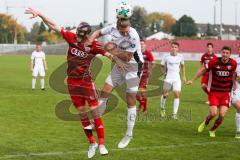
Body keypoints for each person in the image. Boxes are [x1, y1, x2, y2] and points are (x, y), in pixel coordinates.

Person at [25, 8, 125, 159]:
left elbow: (108, 54)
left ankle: (102, 144)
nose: (77, 37)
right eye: (77, 34)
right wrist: (39, 14)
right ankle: (92, 143)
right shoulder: (71, 37)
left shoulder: (94, 45)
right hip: (72, 83)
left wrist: (118, 61)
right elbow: (53, 25)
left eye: (80, 36)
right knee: (82, 114)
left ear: (86, 36)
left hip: (86, 83)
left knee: (95, 112)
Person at [89, 17, 142, 149]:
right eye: (123, 31)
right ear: (117, 28)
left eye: (127, 31)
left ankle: (129, 134)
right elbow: (97, 33)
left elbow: (127, 57)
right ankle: (96, 122)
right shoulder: (112, 28)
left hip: (133, 67)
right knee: (104, 91)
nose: (125, 33)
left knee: (130, 100)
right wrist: (89, 43)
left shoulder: (133, 35)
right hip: (118, 65)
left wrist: (109, 48)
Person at [186, 46, 237, 138]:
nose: (225, 54)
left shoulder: (233, 63)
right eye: (223, 52)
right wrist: (193, 80)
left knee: (222, 114)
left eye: (227, 53)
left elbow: (233, 75)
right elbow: (202, 70)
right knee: (213, 113)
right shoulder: (214, 62)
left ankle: (213, 130)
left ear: (230, 54)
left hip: (226, 93)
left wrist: (234, 84)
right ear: (221, 53)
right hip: (214, 91)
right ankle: (205, 122)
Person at [160, 42, 186, 119]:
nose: (174, 48)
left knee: (177, 94)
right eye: (173, 47)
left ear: (178, 49)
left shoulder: (181, 56)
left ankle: (174, 114)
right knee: (165, 95)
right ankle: (162, 108)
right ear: (170, 48)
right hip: (168, 78)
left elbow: (183, 66)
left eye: (175, 47)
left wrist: (184, 76)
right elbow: (161, 66)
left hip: (177, 78)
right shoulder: (166, 56)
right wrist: (163, 72)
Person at [136, 38, 155, 112]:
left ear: (145, 45)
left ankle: (145, 109)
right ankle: (141, 104)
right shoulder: (136, 53)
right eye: (140, 44)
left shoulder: (148, 53)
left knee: (142, 92)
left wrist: (149, 70)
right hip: (136, 75)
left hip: (144, 75)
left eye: (142, 44)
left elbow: (153, 62)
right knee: (134, 93)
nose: (141, 45)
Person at [231, 46, 240, 139]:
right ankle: (238, 131)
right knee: (239, 107)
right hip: (236, 89)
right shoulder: (235, 61)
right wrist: (234, 83)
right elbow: (232, 73)